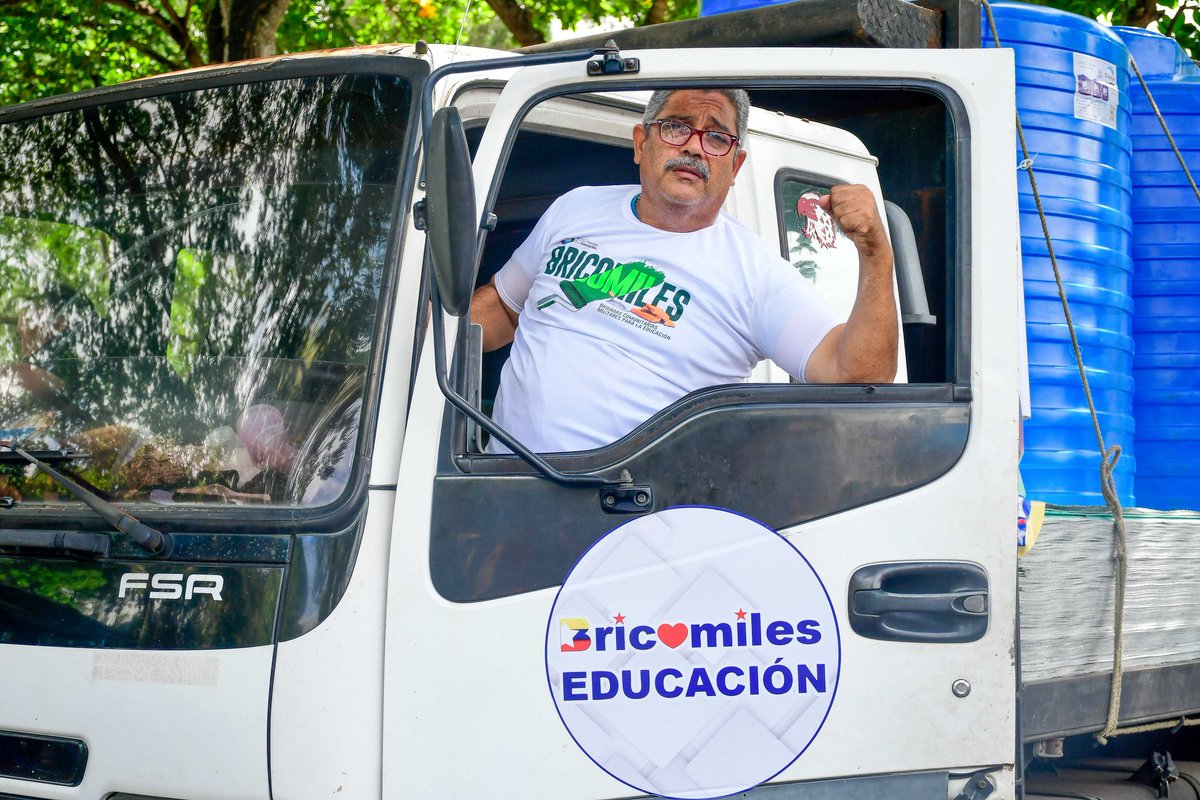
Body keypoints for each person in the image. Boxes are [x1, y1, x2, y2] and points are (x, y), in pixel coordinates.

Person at [470, 88, 897, 454]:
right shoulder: (575, 208)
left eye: (716, 136)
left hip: (626, 518)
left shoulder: (755, 275)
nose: (694, 147)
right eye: (677, 126)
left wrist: (875, 251)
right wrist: (415, 328)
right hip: (499, 489)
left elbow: (857, 376)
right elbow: (504, 310)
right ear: (641, 142)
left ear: (736, 167)